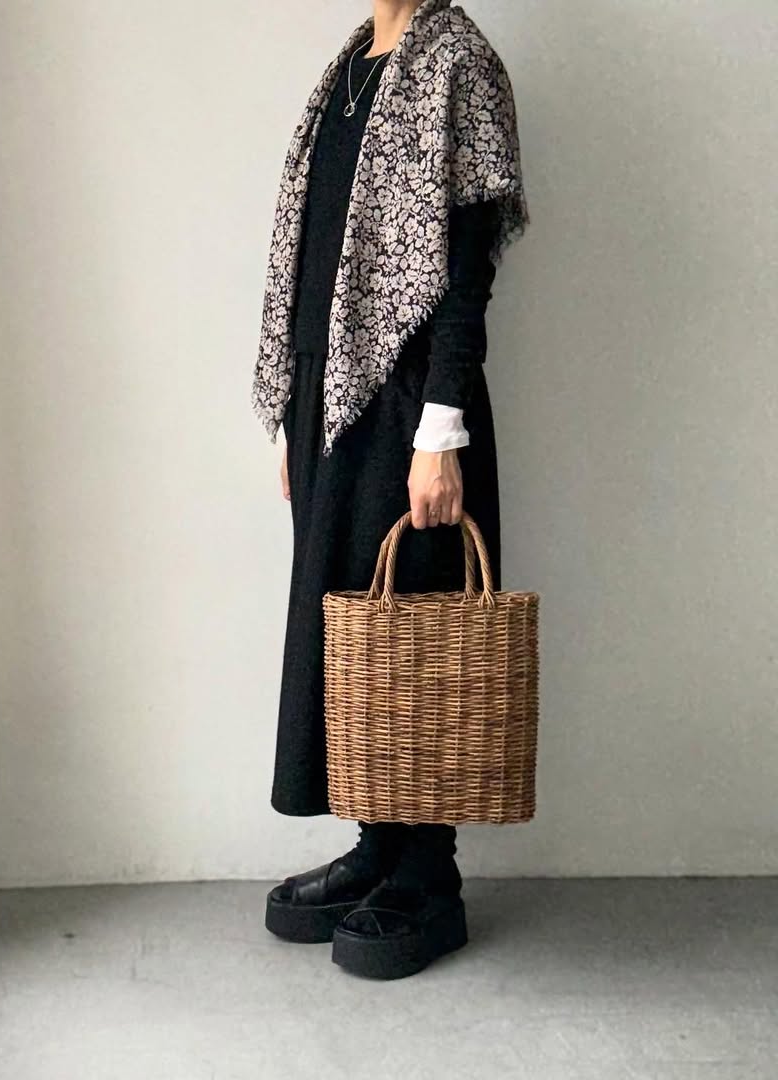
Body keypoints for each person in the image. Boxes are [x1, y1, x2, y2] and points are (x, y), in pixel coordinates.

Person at [251, 0, 528, 980]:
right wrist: (293, 409)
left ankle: (429, 874)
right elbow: (316, 256)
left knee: (418, 626)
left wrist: (440, 429)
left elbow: (466, 272)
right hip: (330, 403)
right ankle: (378, 843)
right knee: (354, 633)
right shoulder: (348, 68)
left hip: (411, 406)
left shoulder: (460, 61)